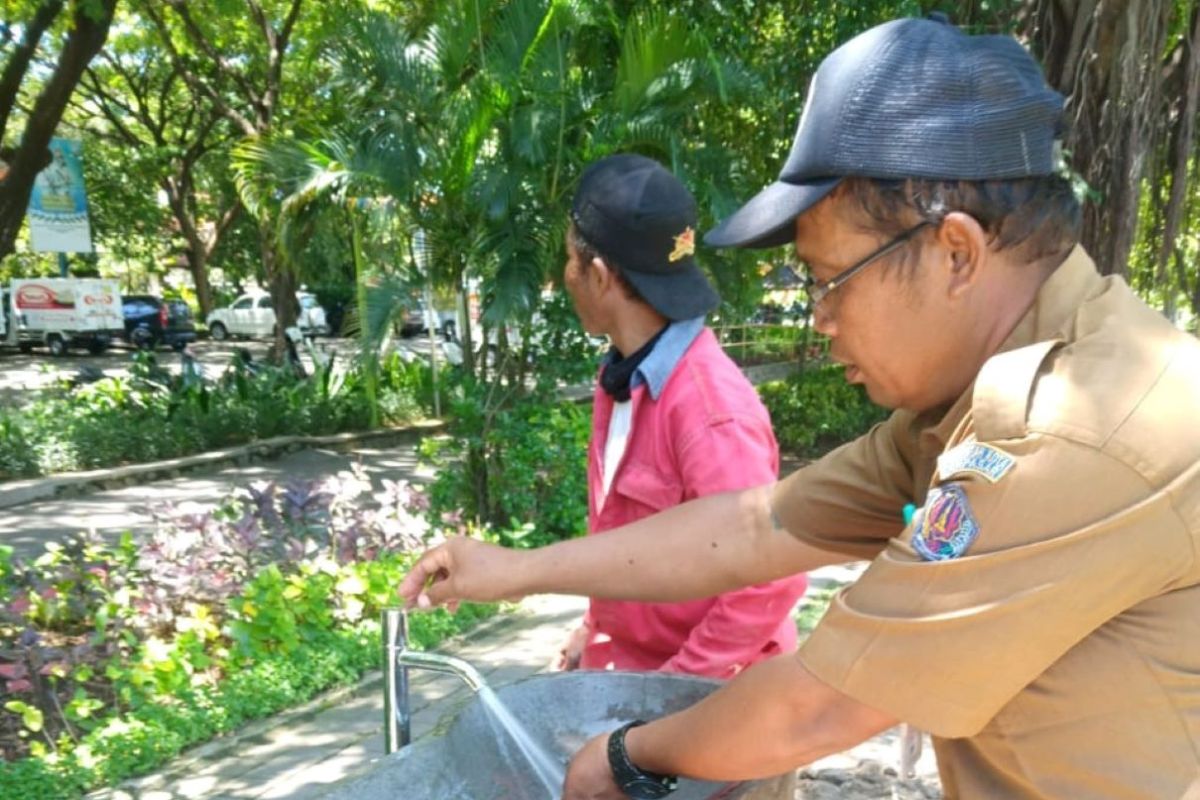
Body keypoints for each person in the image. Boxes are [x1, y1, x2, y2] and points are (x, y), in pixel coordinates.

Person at [400, 15, 1200, 800]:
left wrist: (626, 756)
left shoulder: (1069, 430)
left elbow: (826, 702)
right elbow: (759, 524)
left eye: (829, 280)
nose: (819, 321)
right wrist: (515, 572)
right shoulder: (960, 409)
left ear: (954, 252)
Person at [552, 153, 808, 681]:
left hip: (715, 700)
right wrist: (595, 627)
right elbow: (627, 540)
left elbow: (769, 577)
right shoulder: (625, 379)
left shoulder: (710, 410)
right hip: (642, 671)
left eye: (568, 260)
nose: (564, 276)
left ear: (597, 275)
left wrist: (676, 691)